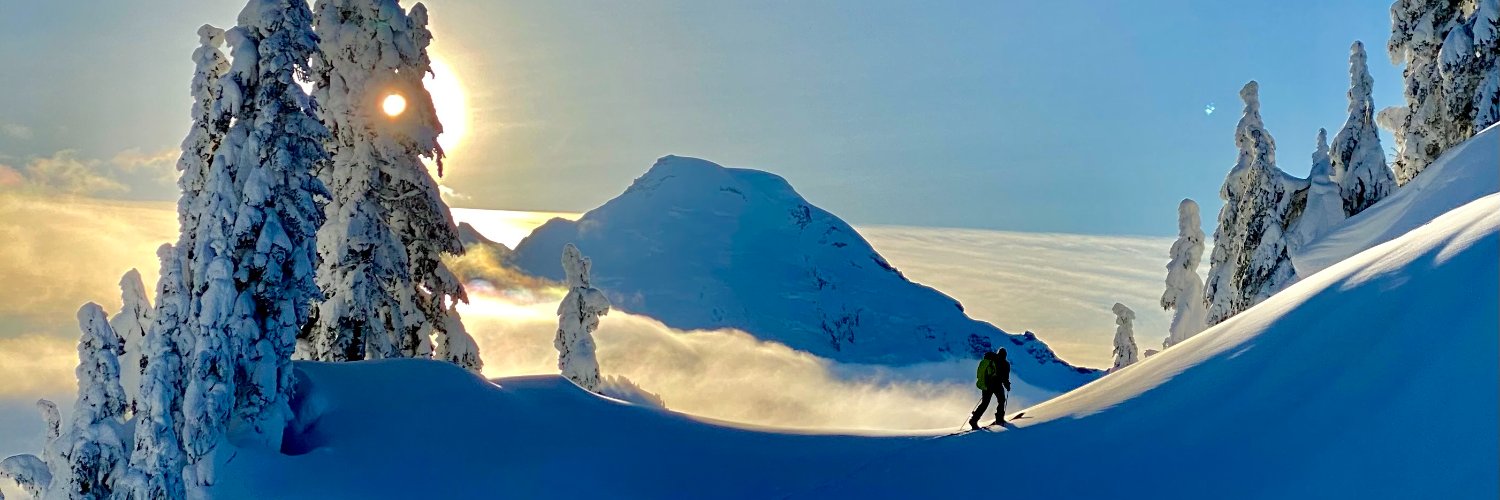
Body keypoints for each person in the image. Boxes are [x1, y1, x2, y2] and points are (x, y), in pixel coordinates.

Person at [969, 347, 1011, 430]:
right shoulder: (1005, 364)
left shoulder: (992, 360)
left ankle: (973, 420)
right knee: (1001, 400)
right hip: (997, 385)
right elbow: (1005, 377)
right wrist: (1007, 386)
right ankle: (999, 419)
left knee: (985, 403)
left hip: (987, 385)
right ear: (1005, 355)